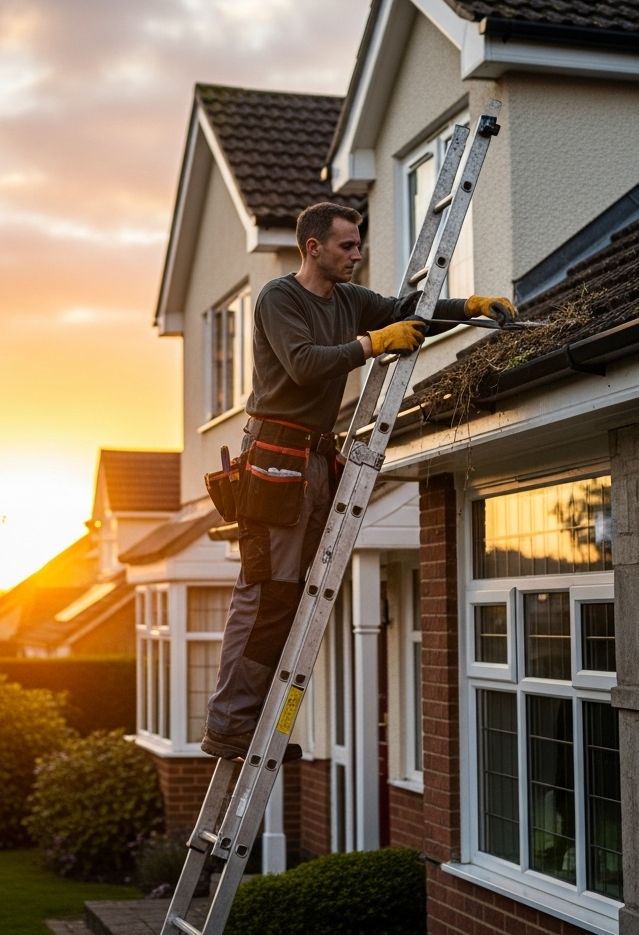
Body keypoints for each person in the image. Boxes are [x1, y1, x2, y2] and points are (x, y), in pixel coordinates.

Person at [201, 201, 515, 760]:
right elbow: (303, 363)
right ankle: (230, 723)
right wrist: (373, 343)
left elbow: (404, 311)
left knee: (296, 595)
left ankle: (256, 721)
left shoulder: (349, 300)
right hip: (275, 455)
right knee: (267, 589)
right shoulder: (280, 298)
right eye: (346, 245)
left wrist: (467, 307)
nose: (357, 254)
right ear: (313, 247)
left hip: (318, 458)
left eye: (358, 244)